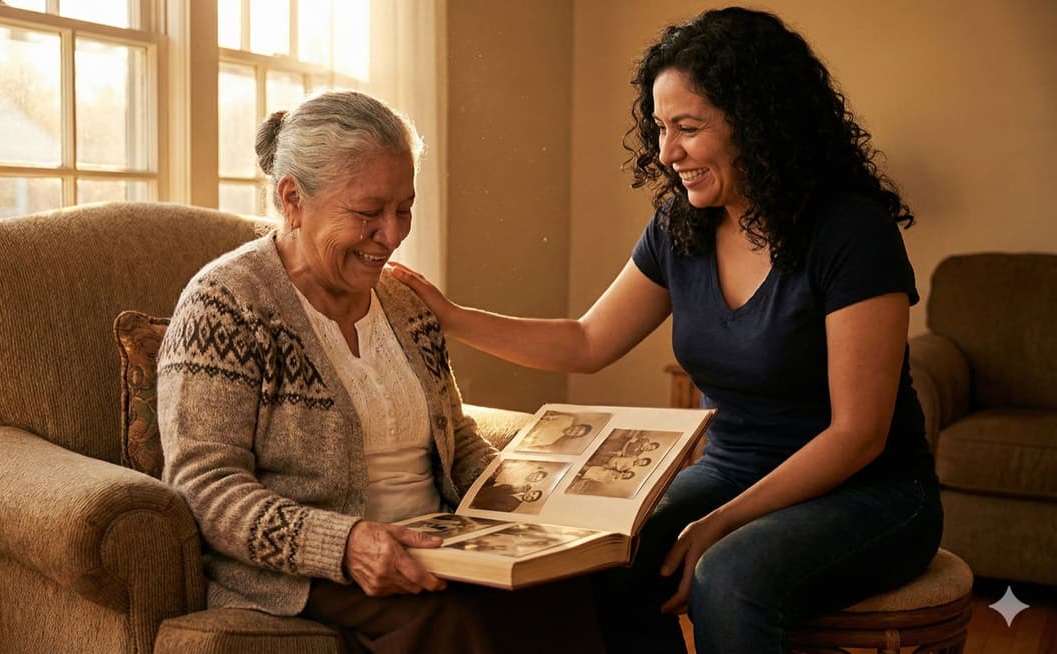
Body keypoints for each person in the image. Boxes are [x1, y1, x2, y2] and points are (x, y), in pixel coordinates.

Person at [389, 8, 942, 654]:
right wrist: (452, 317)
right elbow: (588, 341)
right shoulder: (683, 226)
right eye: (659, 128)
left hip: (872, 491)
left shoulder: (851, 233)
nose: (666, 152)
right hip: (733, 468)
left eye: (688, 128)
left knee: (729, 578)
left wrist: (721, 522)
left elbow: (858, 435)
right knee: (602, 557)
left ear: (758, 124)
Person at [157, 90, 604, 654]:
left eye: (404, 209)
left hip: (437, 543)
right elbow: (204, 487)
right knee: (457, 622)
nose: (392, 236)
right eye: (368, 213)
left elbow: (456, 436)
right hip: (310, 568)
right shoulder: (226, 304)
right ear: (292, 197)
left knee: (588, 588)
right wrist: (344, 544)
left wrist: (522, 509)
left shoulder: (405, 301)